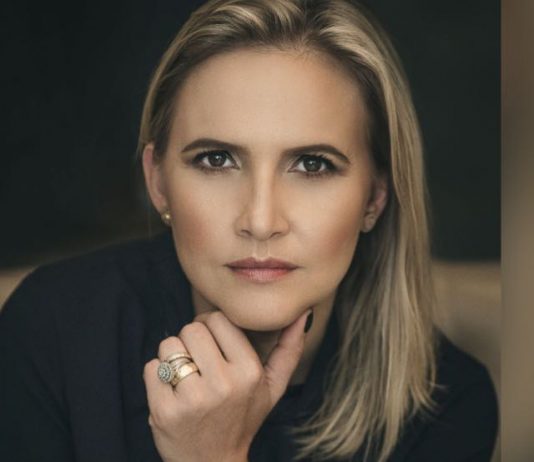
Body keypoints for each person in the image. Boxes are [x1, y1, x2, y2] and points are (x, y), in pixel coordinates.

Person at [0, 0, 498, 461]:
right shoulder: (52, 331)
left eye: (312, 164)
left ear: (374, 198)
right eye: (216, 159)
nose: (260, 221)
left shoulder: (448, 406)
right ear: (158, 182)